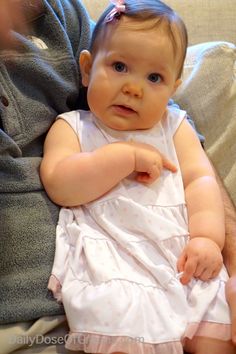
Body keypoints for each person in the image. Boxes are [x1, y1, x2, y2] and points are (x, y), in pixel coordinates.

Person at [0, 0, 236, 354]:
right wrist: (121, 158)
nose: (134, 88)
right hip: (115, 267)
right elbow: (61, 184)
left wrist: (206, 237)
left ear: (173, 87)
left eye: (154, 77)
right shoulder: (73, 127)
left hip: (185, 258)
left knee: (212, 337)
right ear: (86, 68)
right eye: (120, 66)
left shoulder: (173, 127)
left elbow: (199, 179)